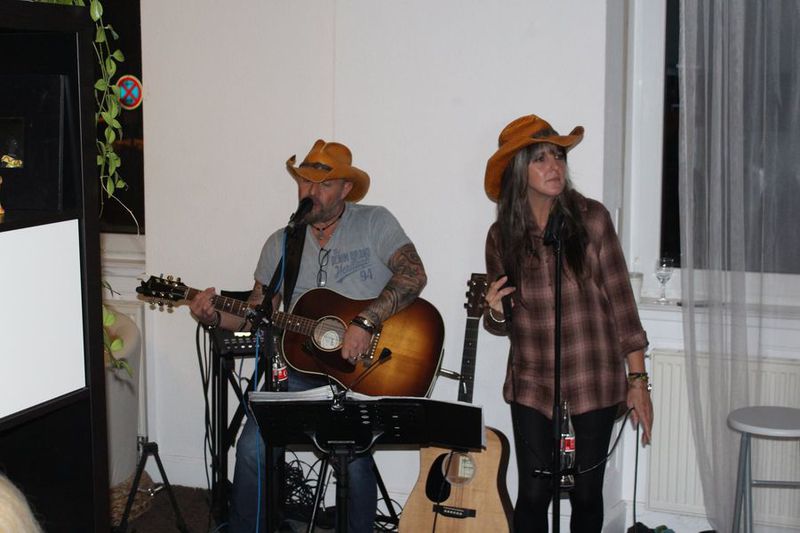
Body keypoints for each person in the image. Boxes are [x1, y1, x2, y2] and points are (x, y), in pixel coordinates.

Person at [189, 139, 428, 533]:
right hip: (301, 371)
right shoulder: (283, 242)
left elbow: (414, 275)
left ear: (346, 189)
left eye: (324, 184)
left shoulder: (375, 222)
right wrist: (213, 316)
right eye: (305, 181)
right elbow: (256, 313)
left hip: (365, 372)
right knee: (251, 447)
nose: (311, 191)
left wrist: (366, 322)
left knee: (354, 457)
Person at [481, 114, 653, 532]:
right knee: (533, 493)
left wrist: (638, 381)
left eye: (558, 156)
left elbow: (622, 303)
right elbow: (504, 322)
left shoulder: (592, 219)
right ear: (518, 171)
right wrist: (496, 311)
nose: (554, 166)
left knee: (587, 494)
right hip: (532, 381)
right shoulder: (502, 236)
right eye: (540, 159)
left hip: (592, 375)